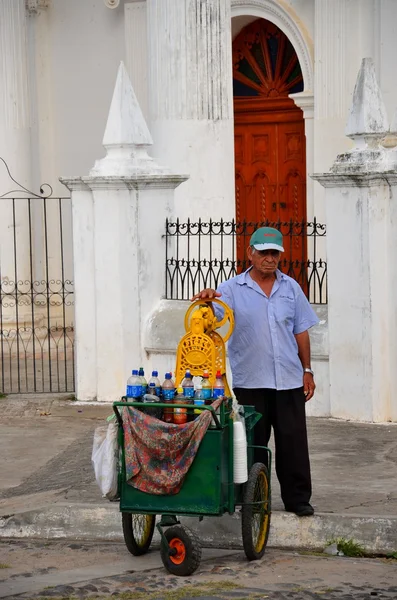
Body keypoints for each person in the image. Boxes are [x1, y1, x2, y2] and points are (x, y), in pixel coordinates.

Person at [191, 226, 319, 517]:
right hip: (251, 381)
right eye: (264, 252)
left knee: (293, 444)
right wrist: (208, 300)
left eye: (274, 253)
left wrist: (307, 370)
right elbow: (212, 316)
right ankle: (254, 500)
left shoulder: (291, 288)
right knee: (253, 445)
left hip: (288, 380)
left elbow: (301, 331)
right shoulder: (232, 290)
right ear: (250, 253)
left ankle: (298, 499)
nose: (269, 259)